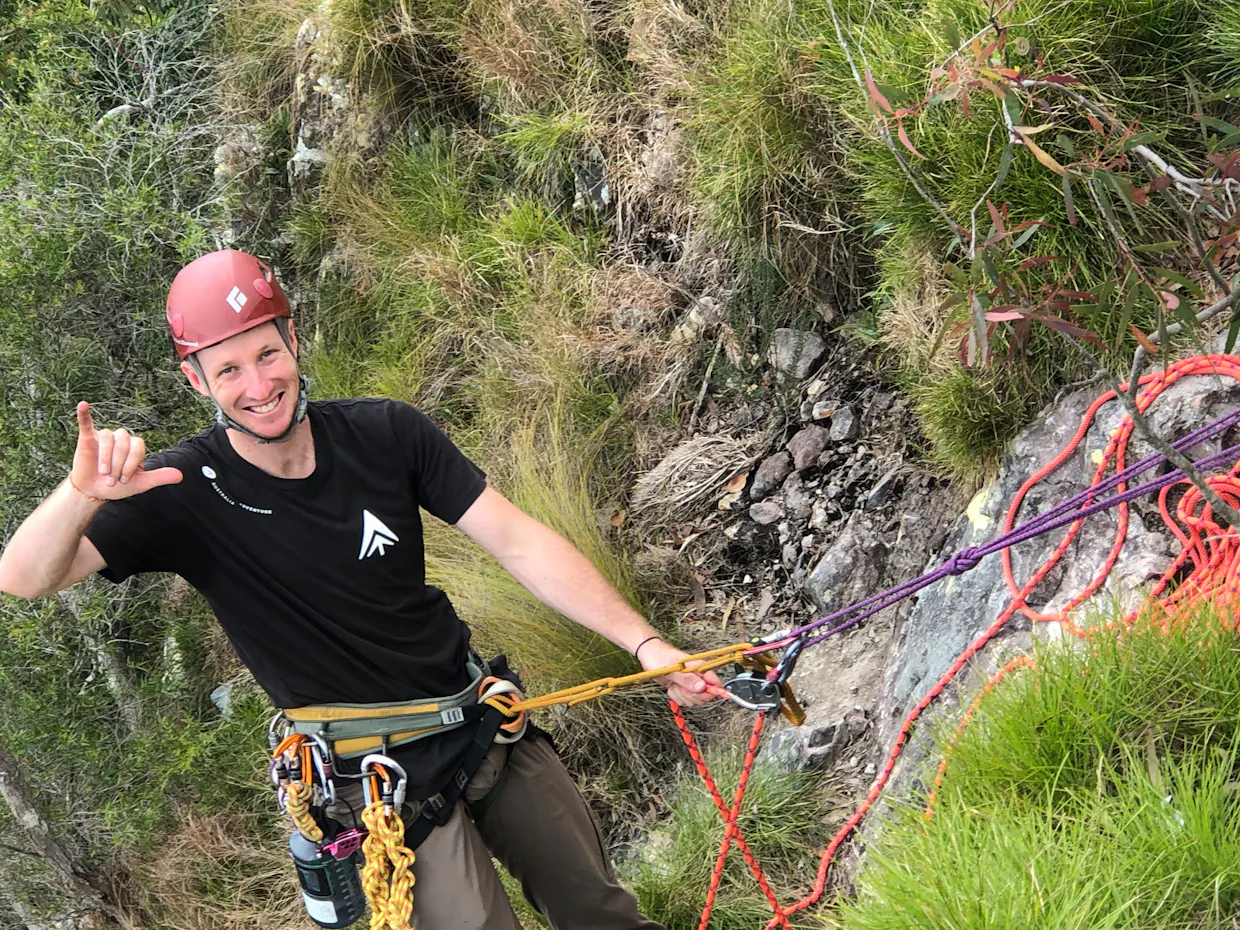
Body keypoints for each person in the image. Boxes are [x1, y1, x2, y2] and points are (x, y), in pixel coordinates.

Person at [0, 248, 721, 930]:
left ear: (293, 338)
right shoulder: (183, 491)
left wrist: (647, 644)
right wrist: (78, 493)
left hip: (479, 721)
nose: (258, 386)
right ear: (196, 380)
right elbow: (23, 578)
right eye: (228, 370)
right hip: (373, 782)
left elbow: (519, 541)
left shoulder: (386, 433)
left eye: (268, 353)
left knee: (600, 910)